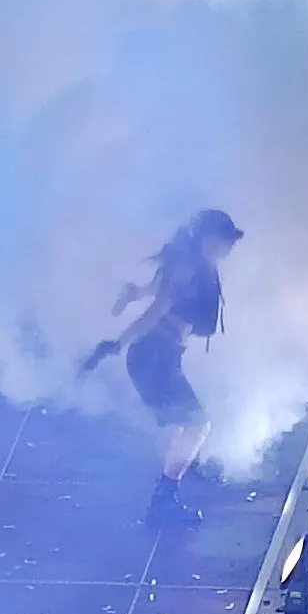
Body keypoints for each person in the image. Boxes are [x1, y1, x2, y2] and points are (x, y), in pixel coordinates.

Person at [85, 208, 244, 523]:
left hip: (161, 357)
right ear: (207, 238)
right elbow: (156, 310)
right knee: (197, 423)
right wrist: (118, 342)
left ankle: (182, 467)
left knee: (183, 422)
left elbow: (159, 291)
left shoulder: (191, 265)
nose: (227, 248)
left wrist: (135, 293)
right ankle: (163, 501)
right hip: (153, 358)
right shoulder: (187, 268)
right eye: (223, 241)